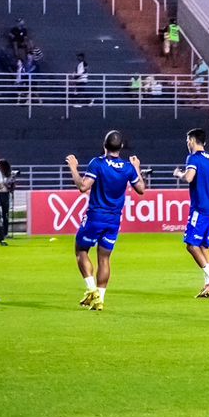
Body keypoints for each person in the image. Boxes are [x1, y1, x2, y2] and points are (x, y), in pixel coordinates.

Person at [65, 131, 147, 310]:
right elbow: (141, 188)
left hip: (96, 216)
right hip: (114, 220)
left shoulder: (98, 163)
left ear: (104, 145)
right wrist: (137, 167)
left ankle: (91, 289)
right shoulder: (127, 167)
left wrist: (73, 167)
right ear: (122, 147)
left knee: (81, 250)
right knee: (104, 259)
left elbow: (83, 186)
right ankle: (99, 300)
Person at [174, 129, 209, 298]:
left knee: (191, 245)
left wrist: (179, 174)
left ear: (192, 140)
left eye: (187, 140)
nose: (187, 143)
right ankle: (208, 286)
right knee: (204, 246)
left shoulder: (193, 158)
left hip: (200, 209)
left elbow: (189, 177)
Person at [0, 159, 17, 245]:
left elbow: (10, 185)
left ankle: (5, 232)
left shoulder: (9, 175)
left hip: (5, 195)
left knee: (5, 214)